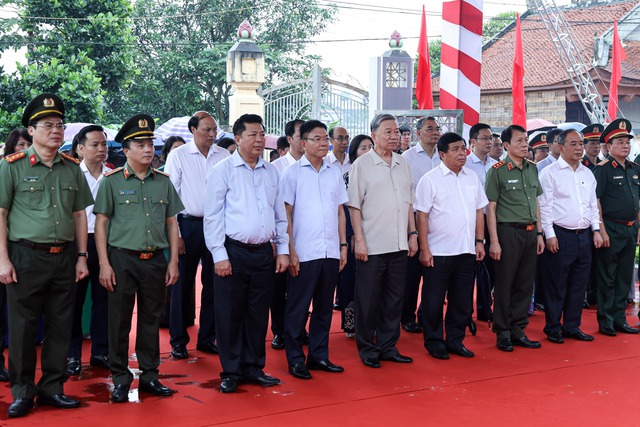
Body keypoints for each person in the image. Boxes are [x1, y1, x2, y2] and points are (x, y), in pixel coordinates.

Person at [0, 93, 93, 418]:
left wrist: (81, 256)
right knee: (23, 327)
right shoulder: (12, 166)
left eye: (60, 125)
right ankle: (23, 391)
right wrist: (3, 259)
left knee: (60, 324)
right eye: (48, 125)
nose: (56, 130)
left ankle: (53, 387)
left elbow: (80, 214)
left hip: (64, 256)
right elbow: (0, 213)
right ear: (32, 129)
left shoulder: (72, 169)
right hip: (25, 255)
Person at [94, 114, 183, 403]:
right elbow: (102, 224)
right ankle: (120, 378)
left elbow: (171, 223)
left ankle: (149, 376)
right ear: (126, 149)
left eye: (151, 144)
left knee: (150, 320)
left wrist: (172, 261)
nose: (148, 149)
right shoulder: (112, 182)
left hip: (155, 259)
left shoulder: (164, 182)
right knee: (118, 320)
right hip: (122, 259)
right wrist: (104, 264)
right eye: (141, 144)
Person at [204, 113, 289, 394]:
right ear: (238, 138)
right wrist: (219, 254)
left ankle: (254, 367)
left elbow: (279, 216)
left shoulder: (271, 172)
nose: (259, 139)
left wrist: (283, 250)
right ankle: (231, 370)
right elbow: (213, 216)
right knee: (230, 314)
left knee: (257, 313)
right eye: (253, 134)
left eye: (262, 134)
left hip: (263, 252)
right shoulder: (223, 170)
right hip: (234, 251)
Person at [348, 113, 417, 368]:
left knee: (394, 297)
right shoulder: (362, 165)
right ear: (374, 135)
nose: (394, 136)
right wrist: (360, 240)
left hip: (399, 242)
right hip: (373, 243)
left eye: (396, 132)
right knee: (368, 298)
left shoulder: (403, 163)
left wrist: (413, 235)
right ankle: (367, 347)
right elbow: (354, 206)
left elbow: (409, 203)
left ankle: (388, 345)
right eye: (388, 131)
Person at [281, 120, 348, 380]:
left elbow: (340, 211)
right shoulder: (292, 173)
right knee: (297, 309)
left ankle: (319, 355)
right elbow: (285, 214)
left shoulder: (334, 172)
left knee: (323, 308)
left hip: (330, 250)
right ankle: (295, 359)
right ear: (303, 142)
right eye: (317, 138)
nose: (324, 143)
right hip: (304, 252)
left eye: (325, 139)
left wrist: (343, 246)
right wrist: (290, 250)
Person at [164, 111, 230, 360]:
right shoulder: (178, 156)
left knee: (215, 283)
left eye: (214, 130)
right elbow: (171, 197)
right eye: (207, 130)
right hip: (187, 225)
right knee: (182, 284)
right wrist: (177, 235)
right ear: (193, 130)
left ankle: (207, 338)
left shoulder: (223, 155)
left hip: (217, 226)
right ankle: (178, 341)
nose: (212, 135)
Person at [416, 132, 487, 360]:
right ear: (442, 153)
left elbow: (479, 211)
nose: (461, 153)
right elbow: (422, 215)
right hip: (439, 251)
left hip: (466, 250)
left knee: (462, 300)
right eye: (455, 149)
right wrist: (424, 248)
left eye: (463, 148)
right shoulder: (430, 179)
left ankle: (455, 340)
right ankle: (434, 341)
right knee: (433, 300)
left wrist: (479, 241)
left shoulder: (471, 177)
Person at [538, 129, 602, 344]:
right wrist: (549, 234)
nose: (578, 148)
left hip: (584, 236)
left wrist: (596, 230)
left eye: (581, 144)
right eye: (573, 144)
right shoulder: (549, 173)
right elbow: (544, 207)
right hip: (560, 235)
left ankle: (572, 326)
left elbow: (592, 205)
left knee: (579, 284)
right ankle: (553, 327)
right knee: (556, 284)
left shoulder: (587, 173)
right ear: (561, 146)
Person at [485, 124, 545, 352]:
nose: (524, 144)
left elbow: (536, 202)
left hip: (530, 233)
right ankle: (502, 332)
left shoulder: (532, 168)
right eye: (519, 141)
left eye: (525, 140)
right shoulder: (497, 170)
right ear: (507, 145)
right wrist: (495, 241)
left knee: (524, 284)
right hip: (507, 232)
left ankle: (518, 329)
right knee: (504, 284)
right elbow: (491, 207)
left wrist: (539, 233)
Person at [66, 125, 112, 376]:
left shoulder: (114, 175)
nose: (101, 149)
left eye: (104, 145)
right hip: (76, 244)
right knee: (73, 301)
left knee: (104, 299)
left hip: (106, 243)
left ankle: (101, 352)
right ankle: (72, 354)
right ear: (80, 149)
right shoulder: (71, 174)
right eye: (95, 145)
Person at [593, 119, 640, 336]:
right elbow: (596, 201)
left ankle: (620, 318)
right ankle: (606, 320)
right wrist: (601, 230)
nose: (625, 146)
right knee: (607, 276)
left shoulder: (634, 169)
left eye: (627, 142)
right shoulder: (603, 170)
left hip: (630, 229)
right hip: (611, 228)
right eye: (620, 142)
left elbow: (637, 201)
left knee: (623, 276)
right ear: (609, 146)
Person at [399, 116, 441, 334]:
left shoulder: (444, 156)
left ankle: (427, 315)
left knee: (435, 272)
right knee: (412, 273)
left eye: (437, 129)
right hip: (414, 219)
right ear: (418, 133)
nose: (435, 132)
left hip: (439, 220)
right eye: (430, 128)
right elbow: (405, 193)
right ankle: (406, 316)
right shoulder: (407, 157)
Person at [270, 119, 304, 350]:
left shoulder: (322, 165)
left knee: (303, 290)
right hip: (283, 238)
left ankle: (300, 330)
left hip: (308, 238)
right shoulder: (276, 168)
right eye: (303, 135)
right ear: (290, 139)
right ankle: (280, 331)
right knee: (280, 289)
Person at [338, 135, 373, 338]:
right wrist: (351, 235)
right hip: (353, 236)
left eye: (371, 147)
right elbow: (345, 208)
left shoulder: (381, 174)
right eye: (363, 148)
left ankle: (371, 323)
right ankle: (351, 323)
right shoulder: (348, 176)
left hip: (376, 233)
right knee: (351, 280)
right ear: (354, 153)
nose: (368, 151)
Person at [465, 123, 497, 325]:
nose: (490, 142)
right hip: (471, 221)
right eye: (485, 138)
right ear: (473, 141)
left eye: (491, 138)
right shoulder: (464, 164)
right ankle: (465, 311)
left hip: (492, 220)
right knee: (469, 269)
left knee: (490, 267)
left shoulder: (497, 164)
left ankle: (485, 308)